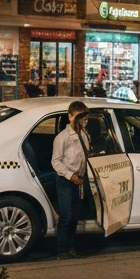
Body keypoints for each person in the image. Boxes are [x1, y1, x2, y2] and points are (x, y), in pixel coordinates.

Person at [51, 100, 92, 259]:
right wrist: (71, 176)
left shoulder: (85, 135)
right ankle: (61, 250)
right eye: (80, 117)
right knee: (67, 215)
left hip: (80, 181)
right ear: (70, 116)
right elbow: (56, 161)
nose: (83, 121)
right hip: (66, 181)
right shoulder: (63, 138)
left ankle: (71, 247)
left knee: (75, 216)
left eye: (85, 118)